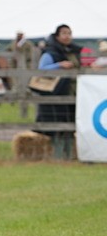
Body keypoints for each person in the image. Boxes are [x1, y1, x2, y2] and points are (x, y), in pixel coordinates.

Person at [36, 24, 81, 160]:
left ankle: (70, 156)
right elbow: (41, 69)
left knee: (71, 127)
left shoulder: (74, 52)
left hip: (73, 93)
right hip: (56, 93)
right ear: (57, 36)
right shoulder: (50, 52)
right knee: (57, 128)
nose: (67, 36)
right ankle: (58, 157)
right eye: (64, 33)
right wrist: (59, 65)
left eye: (69, 33)